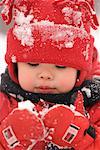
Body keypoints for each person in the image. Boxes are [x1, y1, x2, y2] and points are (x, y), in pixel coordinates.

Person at [0, 0, 100, 149]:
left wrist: (83, 138)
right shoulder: (3, 104)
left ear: (80, 72)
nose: (45, 75)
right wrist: (7, 139)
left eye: (60, 66)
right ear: (15, 67)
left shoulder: (94, 106)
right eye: (33, 64)